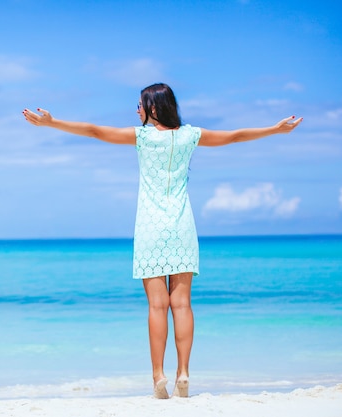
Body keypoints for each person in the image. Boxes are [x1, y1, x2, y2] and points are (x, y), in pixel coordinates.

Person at [22, 83, 303, 399]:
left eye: (140, 105)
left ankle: (159, 377)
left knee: (157, 305)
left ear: (153, 108)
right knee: (182, 304)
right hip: (182, 227)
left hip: (150, 230)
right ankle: (184, 373)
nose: (138, 111)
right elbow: (235, 136)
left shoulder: (141, 137)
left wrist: (52, 123)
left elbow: (94, 131)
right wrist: (275, 130)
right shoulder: (190, 136)